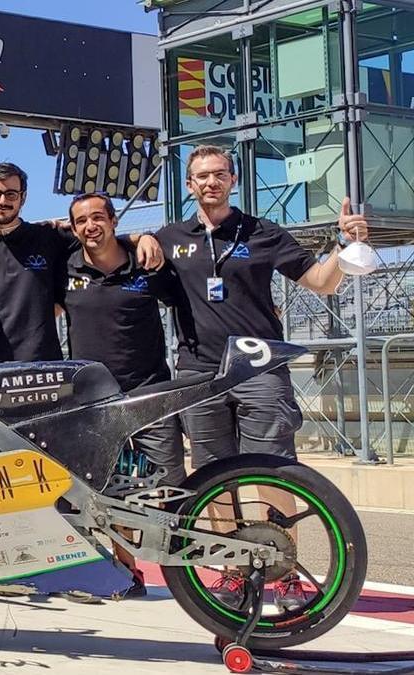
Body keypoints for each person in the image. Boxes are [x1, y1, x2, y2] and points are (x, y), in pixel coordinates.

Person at [154, 144, 369, 610]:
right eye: (201, 176)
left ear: (232, 180)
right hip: (199, 373)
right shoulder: (170, 238)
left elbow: (321, 282)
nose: (210, 182)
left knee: (274, 470)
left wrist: (343, 245)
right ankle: (234, 569)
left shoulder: (263, 232)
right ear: (189, 184)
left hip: (260, 366)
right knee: (212, 477)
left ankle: (284, 568)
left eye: (219, 174)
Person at [61, 193, 187, 597]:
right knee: (107, 489)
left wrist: (144, 237)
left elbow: (189, 303)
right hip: (94, 400)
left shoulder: (148, 263)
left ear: (114, 221)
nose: (90, 226)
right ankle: (126, 571)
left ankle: (185, 573)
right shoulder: (66, 267)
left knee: (170, 486)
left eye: (98, 217)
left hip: (150, 391)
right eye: (82, 221)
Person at [0, 162, 163, 364]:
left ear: (23, 198)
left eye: (11, 194)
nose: (2, 201)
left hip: (43, 367)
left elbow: (99, 239)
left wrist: (142, 237)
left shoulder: (48, 236)